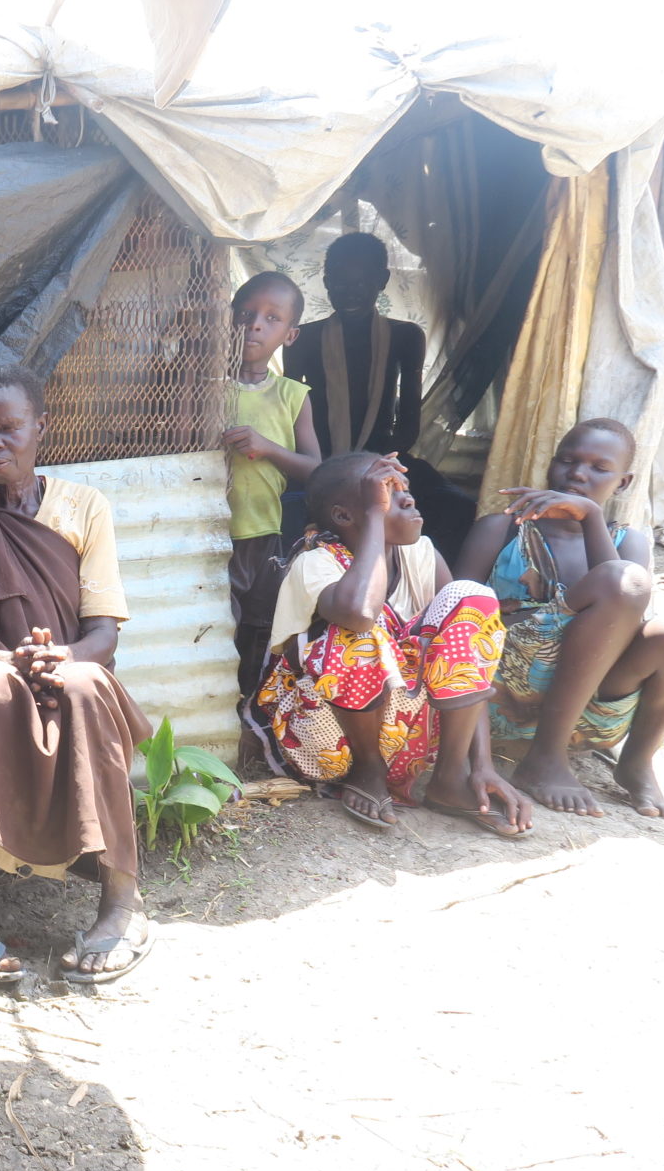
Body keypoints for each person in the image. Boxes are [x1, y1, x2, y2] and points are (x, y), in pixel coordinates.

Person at [0, 367, 153, 986]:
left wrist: (61, 659)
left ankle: (123, 906)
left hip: (65, 663)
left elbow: (104, 633)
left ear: (40, 428)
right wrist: (6, 663)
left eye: (9, 428)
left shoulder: (85, 507)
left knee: (90, 687)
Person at [256, 451, 531, 837]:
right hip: (325, 738)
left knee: (471, 596)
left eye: (405, 490)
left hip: (410, 735)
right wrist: (373, 518)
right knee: (359, 629)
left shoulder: (421, 554)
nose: (408, 499)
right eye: (386, 495)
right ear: (345, 516)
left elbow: (467, 661)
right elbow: (358, 613)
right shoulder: (316, 562)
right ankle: (368, 770)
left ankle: (451, 778)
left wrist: (482, 763)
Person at [456, 419, 664, 819]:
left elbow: (624, 613)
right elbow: (453, 618)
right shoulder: (501, 530)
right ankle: (545, 758)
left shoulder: (628, 542)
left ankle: (635, 761)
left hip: (592, 709)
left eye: (599, 467)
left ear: (625, 482)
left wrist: (592, 518)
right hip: (504, 696)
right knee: (620, 579)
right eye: (567, 460)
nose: (577, 473)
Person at [281, 232, 475, 561]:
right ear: (326, 283)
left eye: (361, 283)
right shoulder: (304, 339)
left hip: (384, 456)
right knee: (287, 514)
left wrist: (374, 468)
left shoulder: (405, 336)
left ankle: (422, 581)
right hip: (319, 460)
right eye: (340, 283)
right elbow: (290, 410)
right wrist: (328, 467)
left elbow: (408, 425)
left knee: (457, 506)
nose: (349, 293)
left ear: (382, 280)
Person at [221, 272, 320, 694]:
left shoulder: (291, 396)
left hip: (260, 532)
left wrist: (268, 448)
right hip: (206, 532)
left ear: (290, 335)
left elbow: (316, 468)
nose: (255, 324)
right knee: (210, 622)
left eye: (271, 317)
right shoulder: (201, 385)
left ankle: (245, 711)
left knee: (254, 627)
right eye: (245, 313)